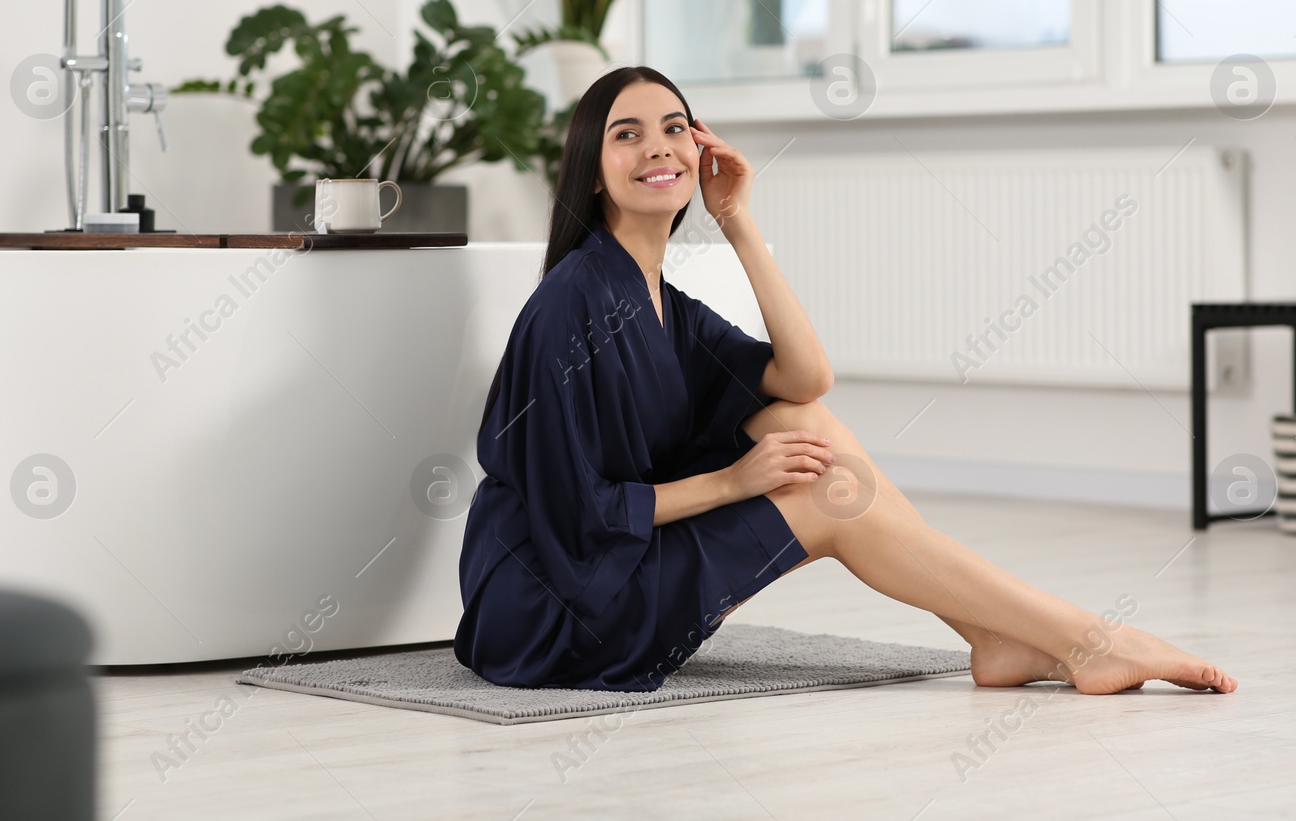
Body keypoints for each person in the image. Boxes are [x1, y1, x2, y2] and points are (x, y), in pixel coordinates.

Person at [453, 65, 1237, 696]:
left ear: (700, 152)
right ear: (592, 169)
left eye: (675, 130)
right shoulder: (572, 303)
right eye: (628, 135)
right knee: (825, 489)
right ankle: (1081, 639)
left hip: (614, 566)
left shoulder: (665, 300)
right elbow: (578, 514)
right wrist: (733, 481)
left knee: (812, 429)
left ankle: (996, 636)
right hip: (551, 605)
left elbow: (807, 376)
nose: (659, 149)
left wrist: (739, 223)